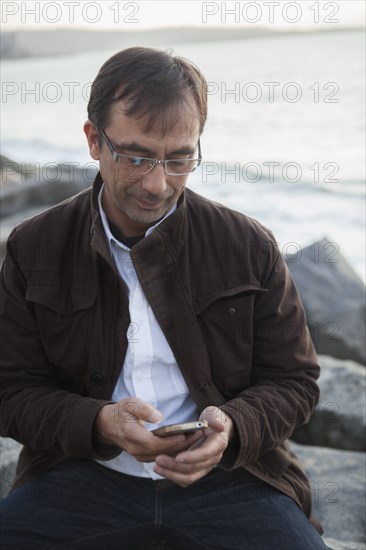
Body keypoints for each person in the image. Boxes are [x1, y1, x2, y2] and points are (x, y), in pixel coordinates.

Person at [0, 47, 328, 549]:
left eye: (180, 159)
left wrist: (232, 428)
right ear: (93, 140)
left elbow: (296, 381)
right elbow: (11, 391)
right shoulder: (32, 247)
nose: (158, 184)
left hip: (232, 480)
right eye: (136, 157)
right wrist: (100, 421)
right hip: (78, 476)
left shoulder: (248, 244)